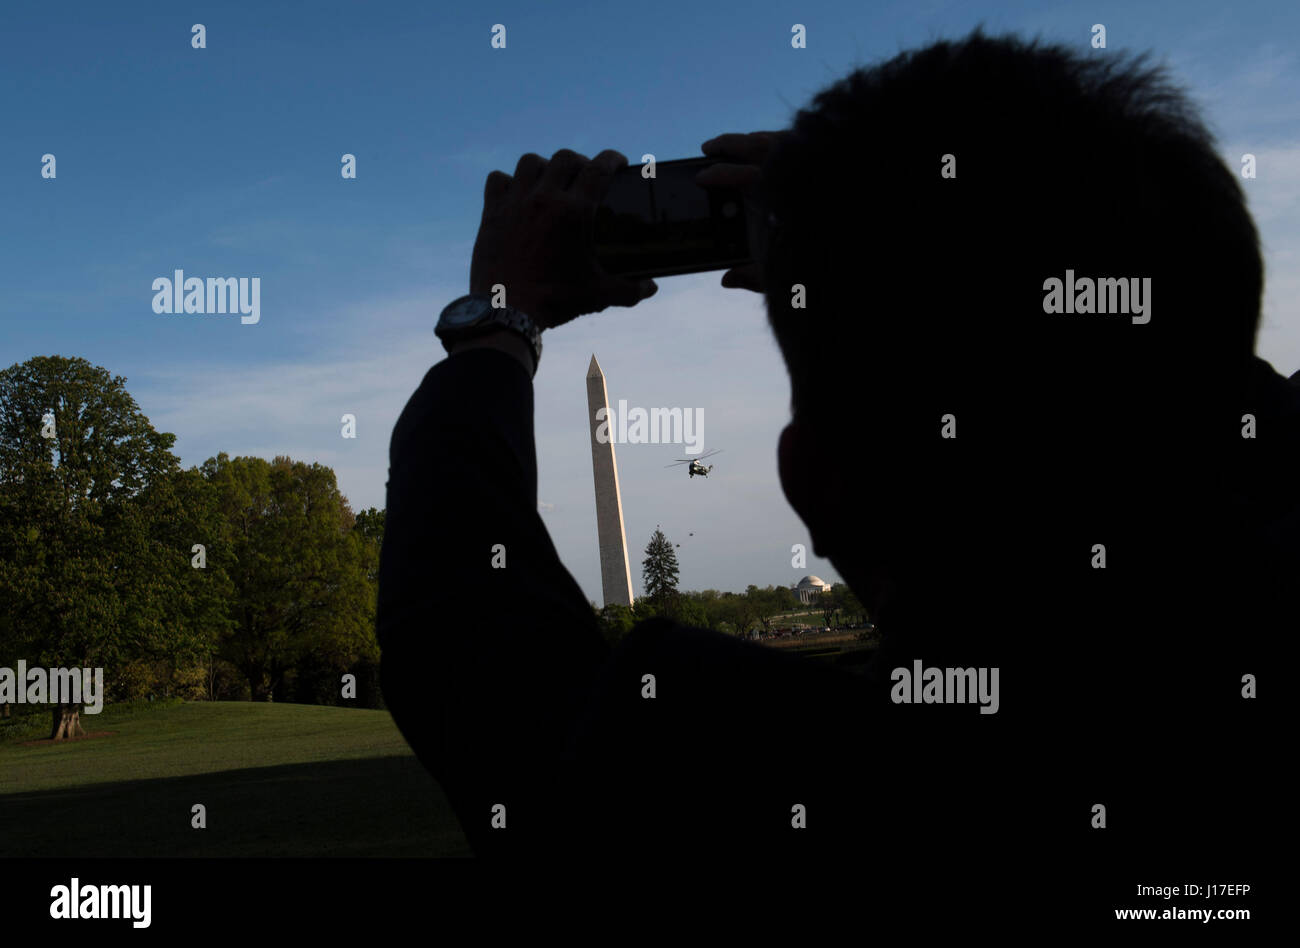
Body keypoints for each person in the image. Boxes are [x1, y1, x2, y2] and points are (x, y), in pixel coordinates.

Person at [378, 31, 1294, 885]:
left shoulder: (759, 773)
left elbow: (463, 626)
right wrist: (931, 219)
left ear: (814, 488)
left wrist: (499, 318)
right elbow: (1199, 385)